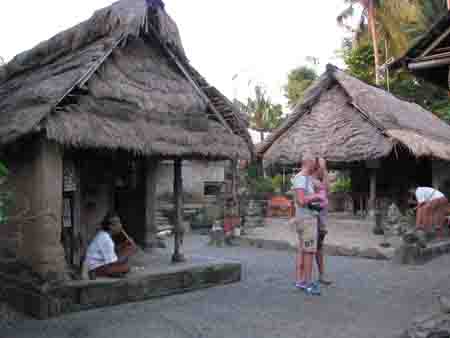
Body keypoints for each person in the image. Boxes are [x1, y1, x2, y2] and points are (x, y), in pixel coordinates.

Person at [292, 157, 322, 295]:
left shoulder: (304, 178)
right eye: (314, 164)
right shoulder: (301, 178)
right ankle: (308, 284)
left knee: (304, 250)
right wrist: (316, 197)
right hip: (307, 220)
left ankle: (301, 280)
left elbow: (321, 185)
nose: (315, 167)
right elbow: (301, 200)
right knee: (309, 251)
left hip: (303, 219)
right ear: (309, 163)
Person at [85, 213, 138, 279]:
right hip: (95, 268)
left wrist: (124, 245)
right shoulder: (106, 239)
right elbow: (113, 262)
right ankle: (111, 273)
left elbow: (113, 250)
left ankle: (115, 272)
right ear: (110, 226)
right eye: (118, 223)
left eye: (120, 223)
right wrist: (129, 252)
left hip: (98, 265)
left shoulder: (103, 235)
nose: (121, 225)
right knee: (126, 267)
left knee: (125, 266)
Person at [312, 158, 333, 285]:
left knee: (319, 249)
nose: (324, 170)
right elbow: (325, 188)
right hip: (314, 220)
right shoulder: (312, 181)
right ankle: (305, 278)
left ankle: (321, 275)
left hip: (321, 220)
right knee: (310, 249)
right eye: (322, 168)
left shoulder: (319, 180)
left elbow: (328, 190)